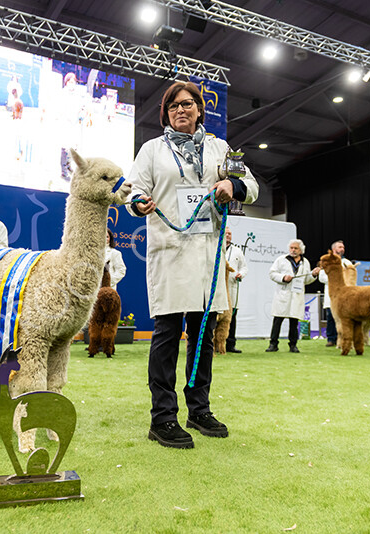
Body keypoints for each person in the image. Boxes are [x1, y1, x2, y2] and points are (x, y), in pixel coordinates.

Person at [126, 81, 259, 450]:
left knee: (202, 337)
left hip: (208, 257)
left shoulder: (221, 148)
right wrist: (139, 202)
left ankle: (198, 410)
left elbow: (250, 182)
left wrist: (233, 185)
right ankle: (163, 417)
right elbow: (132, 189)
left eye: (187, 104)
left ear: (200, 109)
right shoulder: (152, 149)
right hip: (171, 251)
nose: (181, 110)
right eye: (173, 106)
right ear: (166, 113)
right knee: (167, 336)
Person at [266, 239, 321, 353]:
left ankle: (293, 345)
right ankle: (273, 344)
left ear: (301, 250)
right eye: (291, 248)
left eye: (295, 248)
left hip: (297, 294)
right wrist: (283, 277)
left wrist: (314, 275)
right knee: (278, 320)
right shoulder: (281, 260)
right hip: (283, 293)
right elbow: (272, 273)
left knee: (294, 322)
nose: (293, 250)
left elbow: (306, 280)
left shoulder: (305, 262)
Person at [317, 240, 353, 347]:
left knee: (345, 317)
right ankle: (331, 338)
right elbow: (322, 277)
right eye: (340, 247)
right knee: (331, 316)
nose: (342, 249)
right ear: (334, 250)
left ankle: (345, 338)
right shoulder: (327, 260)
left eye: (343, 247)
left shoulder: (347, 262)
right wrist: (335, 279)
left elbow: (351, 276)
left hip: (345, 294)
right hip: (332, 293)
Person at [224, 228, 247, 353]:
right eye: (226, 233)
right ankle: (215, 343)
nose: (228, 235)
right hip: (217, 288)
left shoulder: (237, 251)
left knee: (232, 317)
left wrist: (240, 274)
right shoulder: (215, 247)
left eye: (230, 234)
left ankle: (230, 344)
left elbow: (244, 268)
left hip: (231, 287)